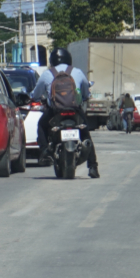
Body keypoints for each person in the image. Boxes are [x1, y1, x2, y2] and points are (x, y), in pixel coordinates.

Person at [31, 47, 99, 179]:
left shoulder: (46, 74)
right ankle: (93, 167)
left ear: (52, 60)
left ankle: (45, 152)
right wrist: (84, 96)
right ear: (69, 59)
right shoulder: (77, 72)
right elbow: (85, 92)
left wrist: (36, 98)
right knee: (85, 135)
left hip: (55, 111)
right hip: (75, 110)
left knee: (41, 125)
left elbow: (36, 94)